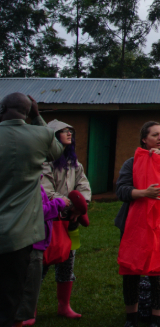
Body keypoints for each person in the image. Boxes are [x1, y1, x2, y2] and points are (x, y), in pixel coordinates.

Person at [114, 121, 160, 326]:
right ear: (144, 139)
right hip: (133, 225)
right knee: (131, 272)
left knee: (159, 273)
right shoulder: (132, 162)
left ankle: (157, 319)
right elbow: (121, 190)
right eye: (155, 135)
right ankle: (132, 319)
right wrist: (144, 193)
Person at [0, 93, 63, 327]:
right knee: (11, 296)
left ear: (3, 107)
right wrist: (37, 117)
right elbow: (57, 153)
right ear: (29, 112)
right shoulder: (42, 135)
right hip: (20, 234)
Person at [40, 121, 92, 320]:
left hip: (71, 221)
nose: (69, 133)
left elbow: (84, 186)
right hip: (49, 220)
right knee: (41, 265)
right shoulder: (44, 163)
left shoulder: (75, 164)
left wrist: (81, 206)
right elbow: (47, 191)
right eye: (63, 131)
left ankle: (64, 306)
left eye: (70, 130)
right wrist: (70, 205)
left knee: (67, 263)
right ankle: (29, 309)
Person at [13, 184, 71, 327]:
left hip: (34, 243)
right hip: (31, 244)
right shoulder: (28, 185)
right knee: (26, 291)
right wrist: (59, 203)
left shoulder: (33, 183)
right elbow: (36, 213)